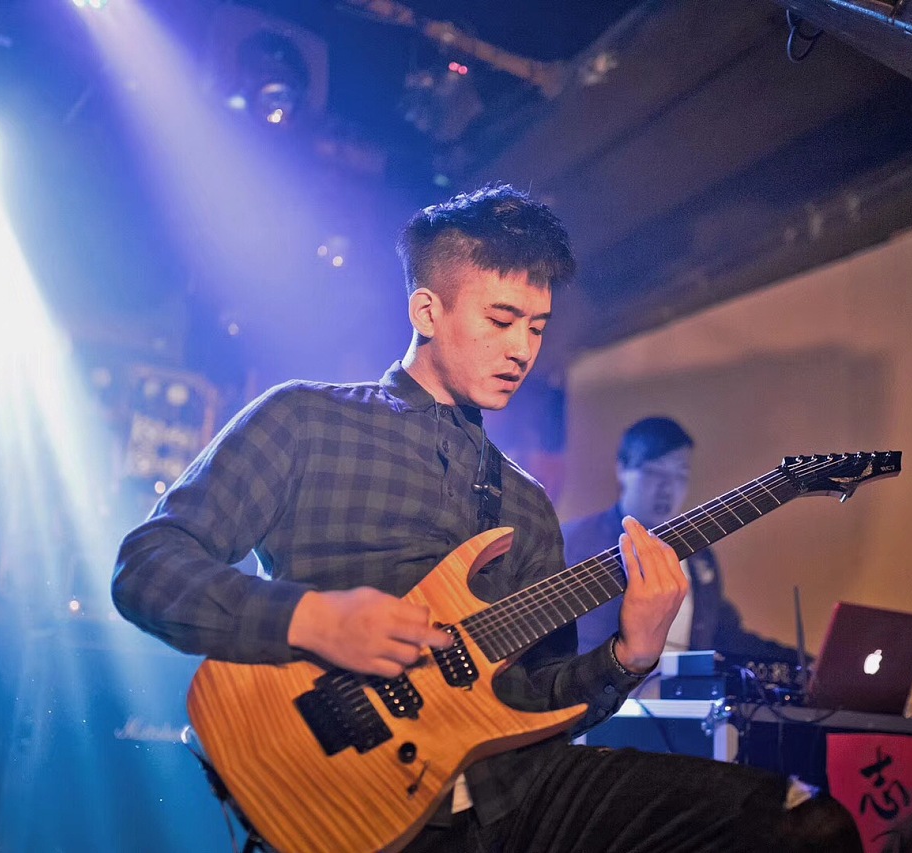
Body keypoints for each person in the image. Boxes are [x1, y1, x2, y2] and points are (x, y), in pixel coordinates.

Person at [112, 184, 860, 852]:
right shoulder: (304, 420)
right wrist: (311, 619)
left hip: (513, 798)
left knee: (802, 824)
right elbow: (147, 567)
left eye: (536, 327)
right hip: (350, 794)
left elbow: (534, 700)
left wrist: (630, 654)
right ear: (427, 311)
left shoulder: (526, 503)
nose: (522, 349)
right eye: (501, 320)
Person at [564, 417, 806, 667]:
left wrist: (805, 663)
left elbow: (724, 635)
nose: (667, 488)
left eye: (680, 475)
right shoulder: (573, 543)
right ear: (622, 469)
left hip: (678, 691)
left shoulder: (699, 556)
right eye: (654, 472)